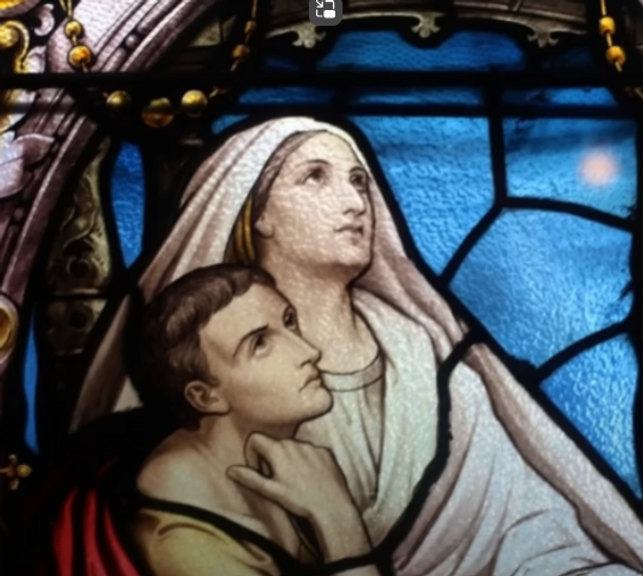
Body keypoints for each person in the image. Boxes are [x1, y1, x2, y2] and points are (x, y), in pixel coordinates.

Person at [71, 116, 643, 574]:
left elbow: (529, 532)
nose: (354, 201)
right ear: (257, 211)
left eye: (359, 180)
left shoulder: (430, 358)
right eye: (315, 177)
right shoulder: (190, 470)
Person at [130, 264, 383, 576]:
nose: (309, 351)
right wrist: (339, 522)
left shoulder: (280, 466)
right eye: (260, 344)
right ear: (205, 396)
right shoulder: (183, 538)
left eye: (290, 323)